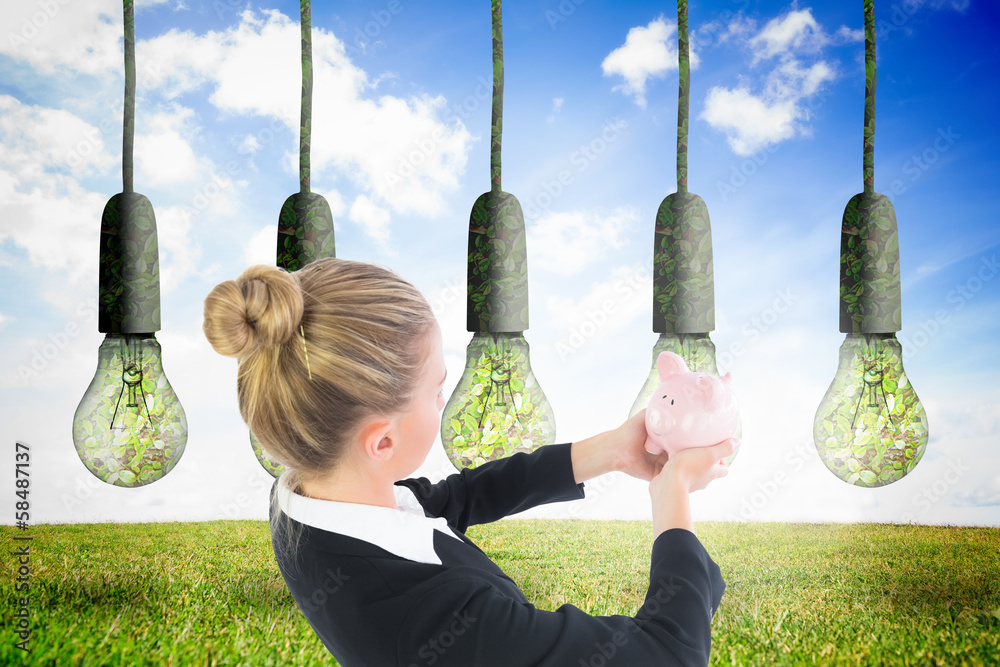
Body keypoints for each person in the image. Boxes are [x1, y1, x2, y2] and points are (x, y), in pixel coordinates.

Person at [202, 258, 737, 667]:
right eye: (437, 389)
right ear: (381, 442)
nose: (446, 399)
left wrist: (611, 451)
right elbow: (667, 653)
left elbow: (446, 502)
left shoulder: (304, 493)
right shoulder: (444, 618)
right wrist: (674, 503)